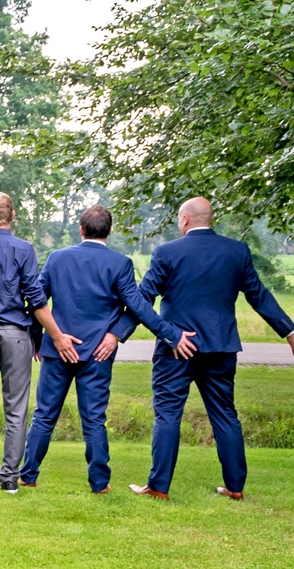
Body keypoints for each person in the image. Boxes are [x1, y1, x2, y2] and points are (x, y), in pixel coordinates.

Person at [129, 196, 294, 500]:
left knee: (168, 415)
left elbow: (142, 298)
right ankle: (235, 487)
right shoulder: (236, 251)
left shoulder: (167, 252)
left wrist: (125, 333)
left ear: (185, 219)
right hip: (221, 345)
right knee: (225, 415)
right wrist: (290, 331)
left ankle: (158, 487)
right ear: (209, 218)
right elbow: (258, 295)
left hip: (177, 348)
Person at [20, 204, 194, 493]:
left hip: (58, 349)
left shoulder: (57, 258)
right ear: (110, 230)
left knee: (44, 414)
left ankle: (28, 475)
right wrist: (169, 334)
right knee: (94, 420)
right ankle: (99, 483)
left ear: (80, 228)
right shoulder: (120, 263)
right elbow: (139, 306)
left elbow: (36, 300)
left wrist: (39, 338)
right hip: (97, 354)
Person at [0, 192, 78, 494]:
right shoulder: (25, 250)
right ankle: (10, 478)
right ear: (12, 216)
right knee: (16, 409)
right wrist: (53, 335)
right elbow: (37, 301)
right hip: (16, 334)